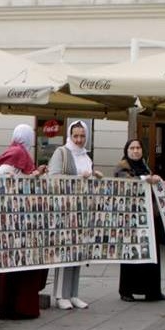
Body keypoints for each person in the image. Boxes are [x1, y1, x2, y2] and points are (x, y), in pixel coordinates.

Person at [0, 124, 49, 319]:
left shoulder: (20, 152)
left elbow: (22, 176)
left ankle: (13, 305)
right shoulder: (17, 152)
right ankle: (15, 306)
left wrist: (35, 174)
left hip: (20, 217)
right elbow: (4, 175)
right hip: (15, 218)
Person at [47, 120, 101, 310]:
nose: (79, 140)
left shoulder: (86, 156)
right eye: (75, 136)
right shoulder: (62, 152)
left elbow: (88, 177)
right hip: (66, 210)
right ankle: (61, 294)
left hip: (83, 210)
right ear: (70, 136)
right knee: (65, 250)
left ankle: (74, 293)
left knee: (78, 251)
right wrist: (79, 179)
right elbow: (53, 178)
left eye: (82, 136)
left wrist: (94, 176)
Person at [115, 139, 165, 302]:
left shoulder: (145, 166)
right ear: (127, 150)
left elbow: (150, 184)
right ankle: (127, 291)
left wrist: (155, 179)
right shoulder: (122, 166)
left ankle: (152, 290)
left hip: (148, 217)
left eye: (138, 148)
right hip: (131, 217)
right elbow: (127, 182)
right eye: (132, 148)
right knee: (131, 254)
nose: (136, 151)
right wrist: (147, 179)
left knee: (151, 254)